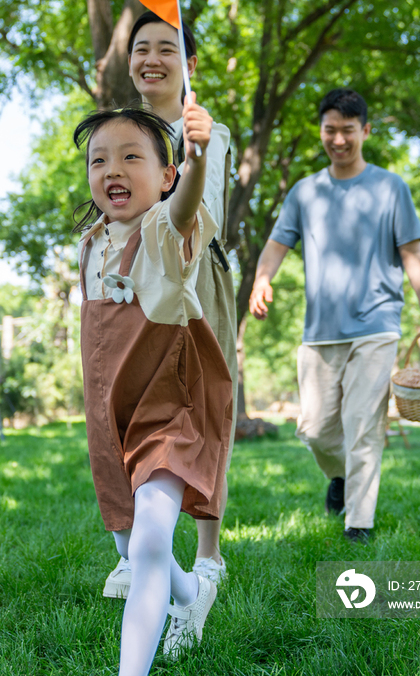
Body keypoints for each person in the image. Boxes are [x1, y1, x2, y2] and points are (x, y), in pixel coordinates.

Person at [74, 102, 232, 674]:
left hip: (167, 414)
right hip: (110, 419)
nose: (111, 169)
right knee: (132, 544)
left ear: (164, 177)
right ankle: (191, 597)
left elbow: (186, 209)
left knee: (146, 548)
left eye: (130, 156)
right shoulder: (90, 243)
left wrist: (197, 158)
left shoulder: (165, 232)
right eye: (99, 160)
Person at [249, 88, 420, 542]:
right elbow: (279, 243)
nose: (338, 140)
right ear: (321, 131)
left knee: (364, 426)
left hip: (377, 324)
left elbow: (412, 252)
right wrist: (262, 279)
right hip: (320, 331)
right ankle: (338, 477)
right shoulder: (305, 192)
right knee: (315, 430)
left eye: (348, 130)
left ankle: (359, 522)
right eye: (330, 130)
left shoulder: (390, 187)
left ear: (365, 131)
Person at [103, 11, 237, 597]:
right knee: (127, 402)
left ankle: (207, 557)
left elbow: (191, 218)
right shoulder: (119, 128)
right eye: (141, 49)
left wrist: (196, 146)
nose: (152, 58)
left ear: (190, 65)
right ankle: (133, 547)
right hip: (133, 279)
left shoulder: (205, 130)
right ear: (129, 62)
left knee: (206, 408)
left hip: (194, 277)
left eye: (167, 47)